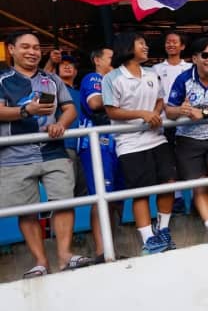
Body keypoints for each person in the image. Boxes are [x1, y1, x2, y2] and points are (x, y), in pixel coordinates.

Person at [0, 31, 92, 277]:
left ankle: (64, 255)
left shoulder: (52, 79)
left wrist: (61, 123)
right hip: (13, 155)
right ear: (11, 49)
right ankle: (41, 262)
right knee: (26, 210)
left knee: (63, 200)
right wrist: (25, 110)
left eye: (36, 47)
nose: (32, 52)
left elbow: (70, 108)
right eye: (26, 47)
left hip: (53, 150)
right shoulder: (2, 79)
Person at [102, 32, 177, 254]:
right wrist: (141, 114)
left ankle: (163, 229)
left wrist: (154, 114)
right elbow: (111, 110)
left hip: (157, 138)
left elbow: (160, 99)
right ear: (127, 46)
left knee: (169, 182)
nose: (146, 47)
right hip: (129, 143)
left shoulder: (152, 73)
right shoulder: (112, 78)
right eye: (141, 43)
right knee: (140, 191)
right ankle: (148, 239)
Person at [166, 38, 208, 242]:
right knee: (200, 186)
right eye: (205, 55)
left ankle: (204, 198)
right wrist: (181, 110)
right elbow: (169, 111)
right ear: (194, 58)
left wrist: (203, 112)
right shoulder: (183, 79)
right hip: (188, 140)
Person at [79, 47, 125, 262]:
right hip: (97, 145)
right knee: (102, 197)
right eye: (110, 57)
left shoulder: (118, 79)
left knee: (117, 198)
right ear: (97, 60)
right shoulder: (94, 78)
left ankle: (111, 247)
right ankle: (101, 251)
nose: (115, 60)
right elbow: (95, 103)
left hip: (121, 143)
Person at [152, 31, 191, 213]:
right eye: (168, 42)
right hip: (165, 123)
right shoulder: (156, 69)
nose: (171, 45)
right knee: (169, 161)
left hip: (188, 121)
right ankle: (176, 198)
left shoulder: (190, 67)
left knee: (186, 159)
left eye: (175, 42)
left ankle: (193, 198)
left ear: (182, 46)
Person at [57, 55, 89, 199]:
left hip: (83, 146)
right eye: (62, 64)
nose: (67, 66)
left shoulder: (81, 93)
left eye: (71, 64)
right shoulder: (51, 89)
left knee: (83, 188)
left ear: (76, 72)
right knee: (65, 190)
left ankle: (82, 222)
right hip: (63, 145)